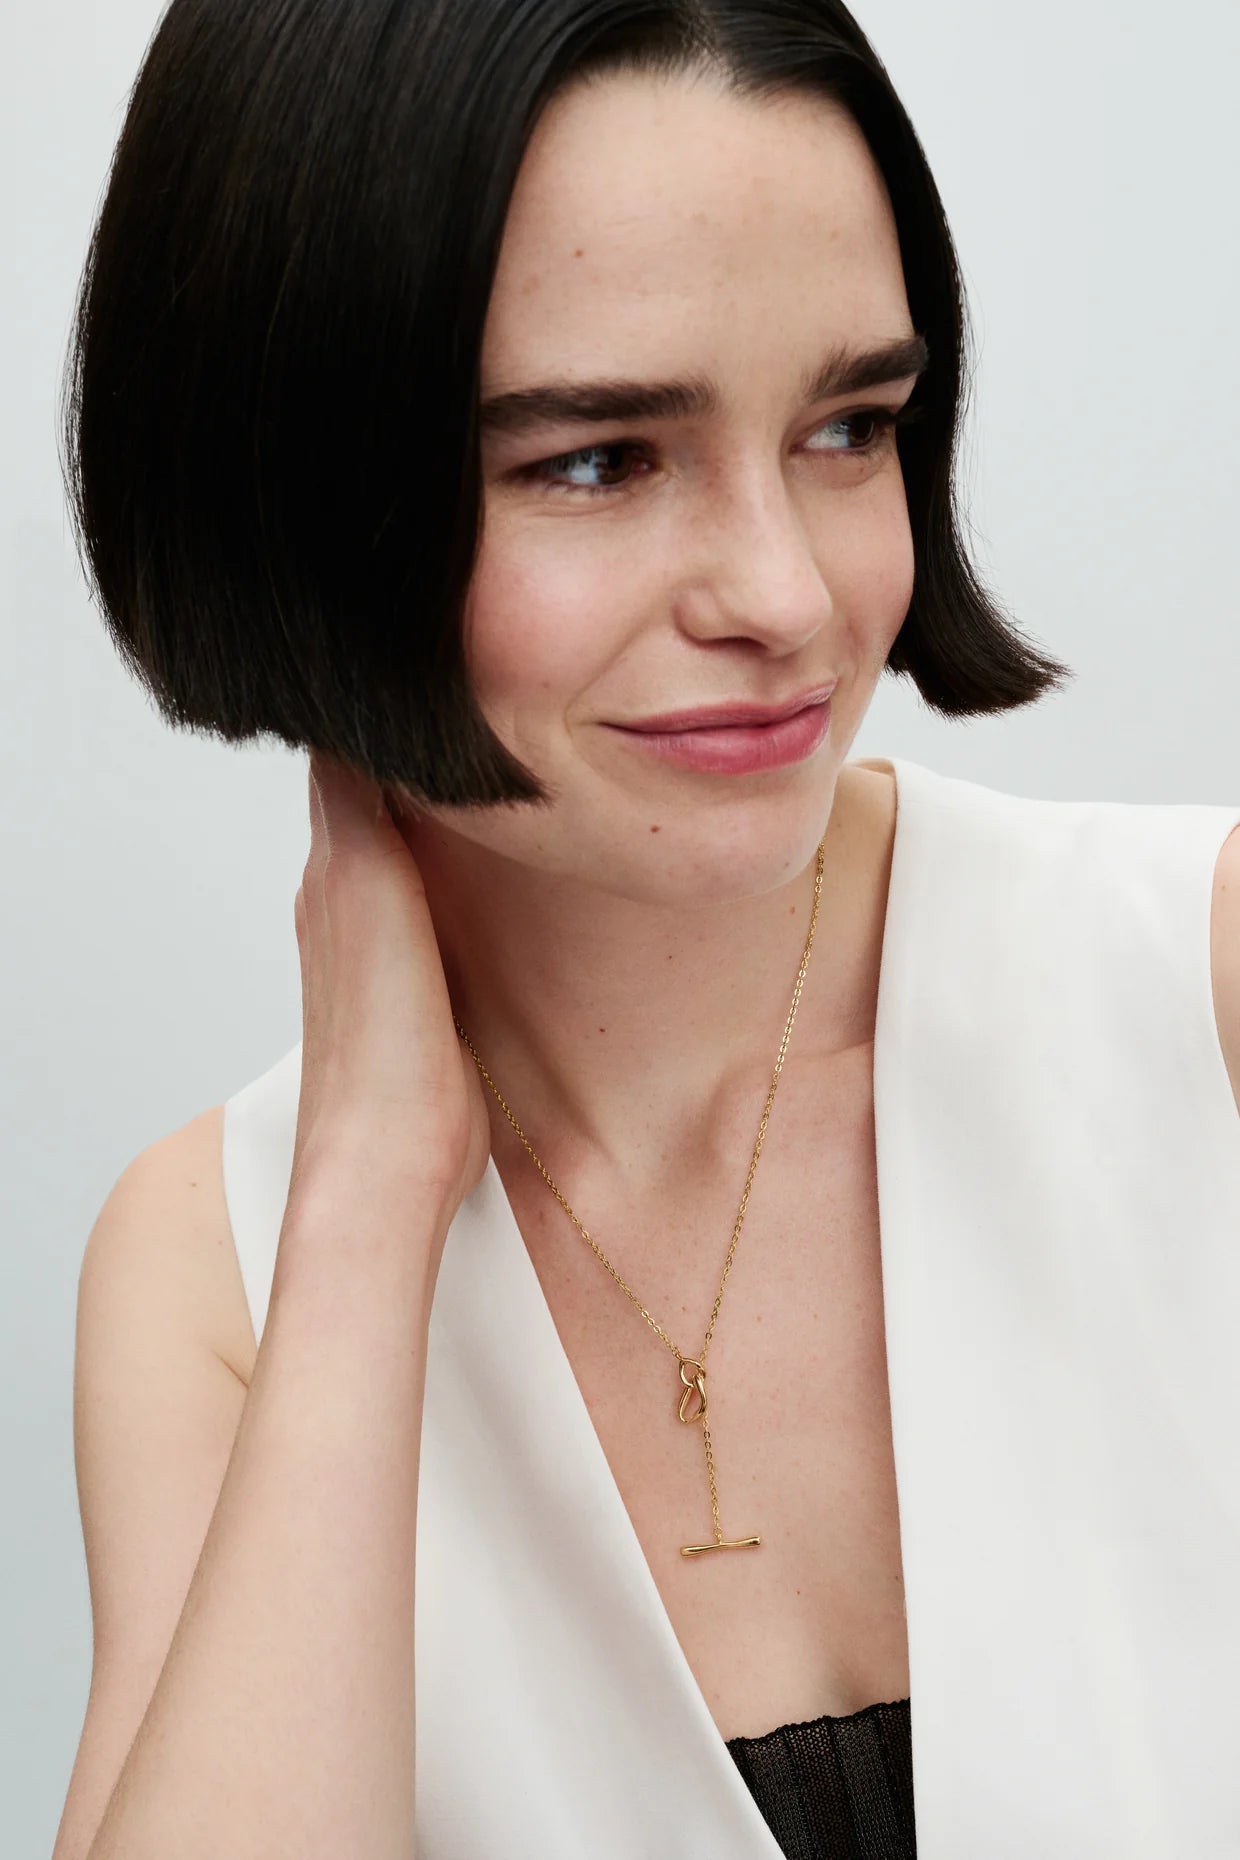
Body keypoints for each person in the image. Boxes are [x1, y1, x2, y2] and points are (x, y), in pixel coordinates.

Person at [53, 2, 1240, 1857]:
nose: (787, 594)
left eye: (850, 427)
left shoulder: (1199, 993)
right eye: (601, 460)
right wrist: (367, 1200)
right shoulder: (219, 1262)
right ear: (284, 481)